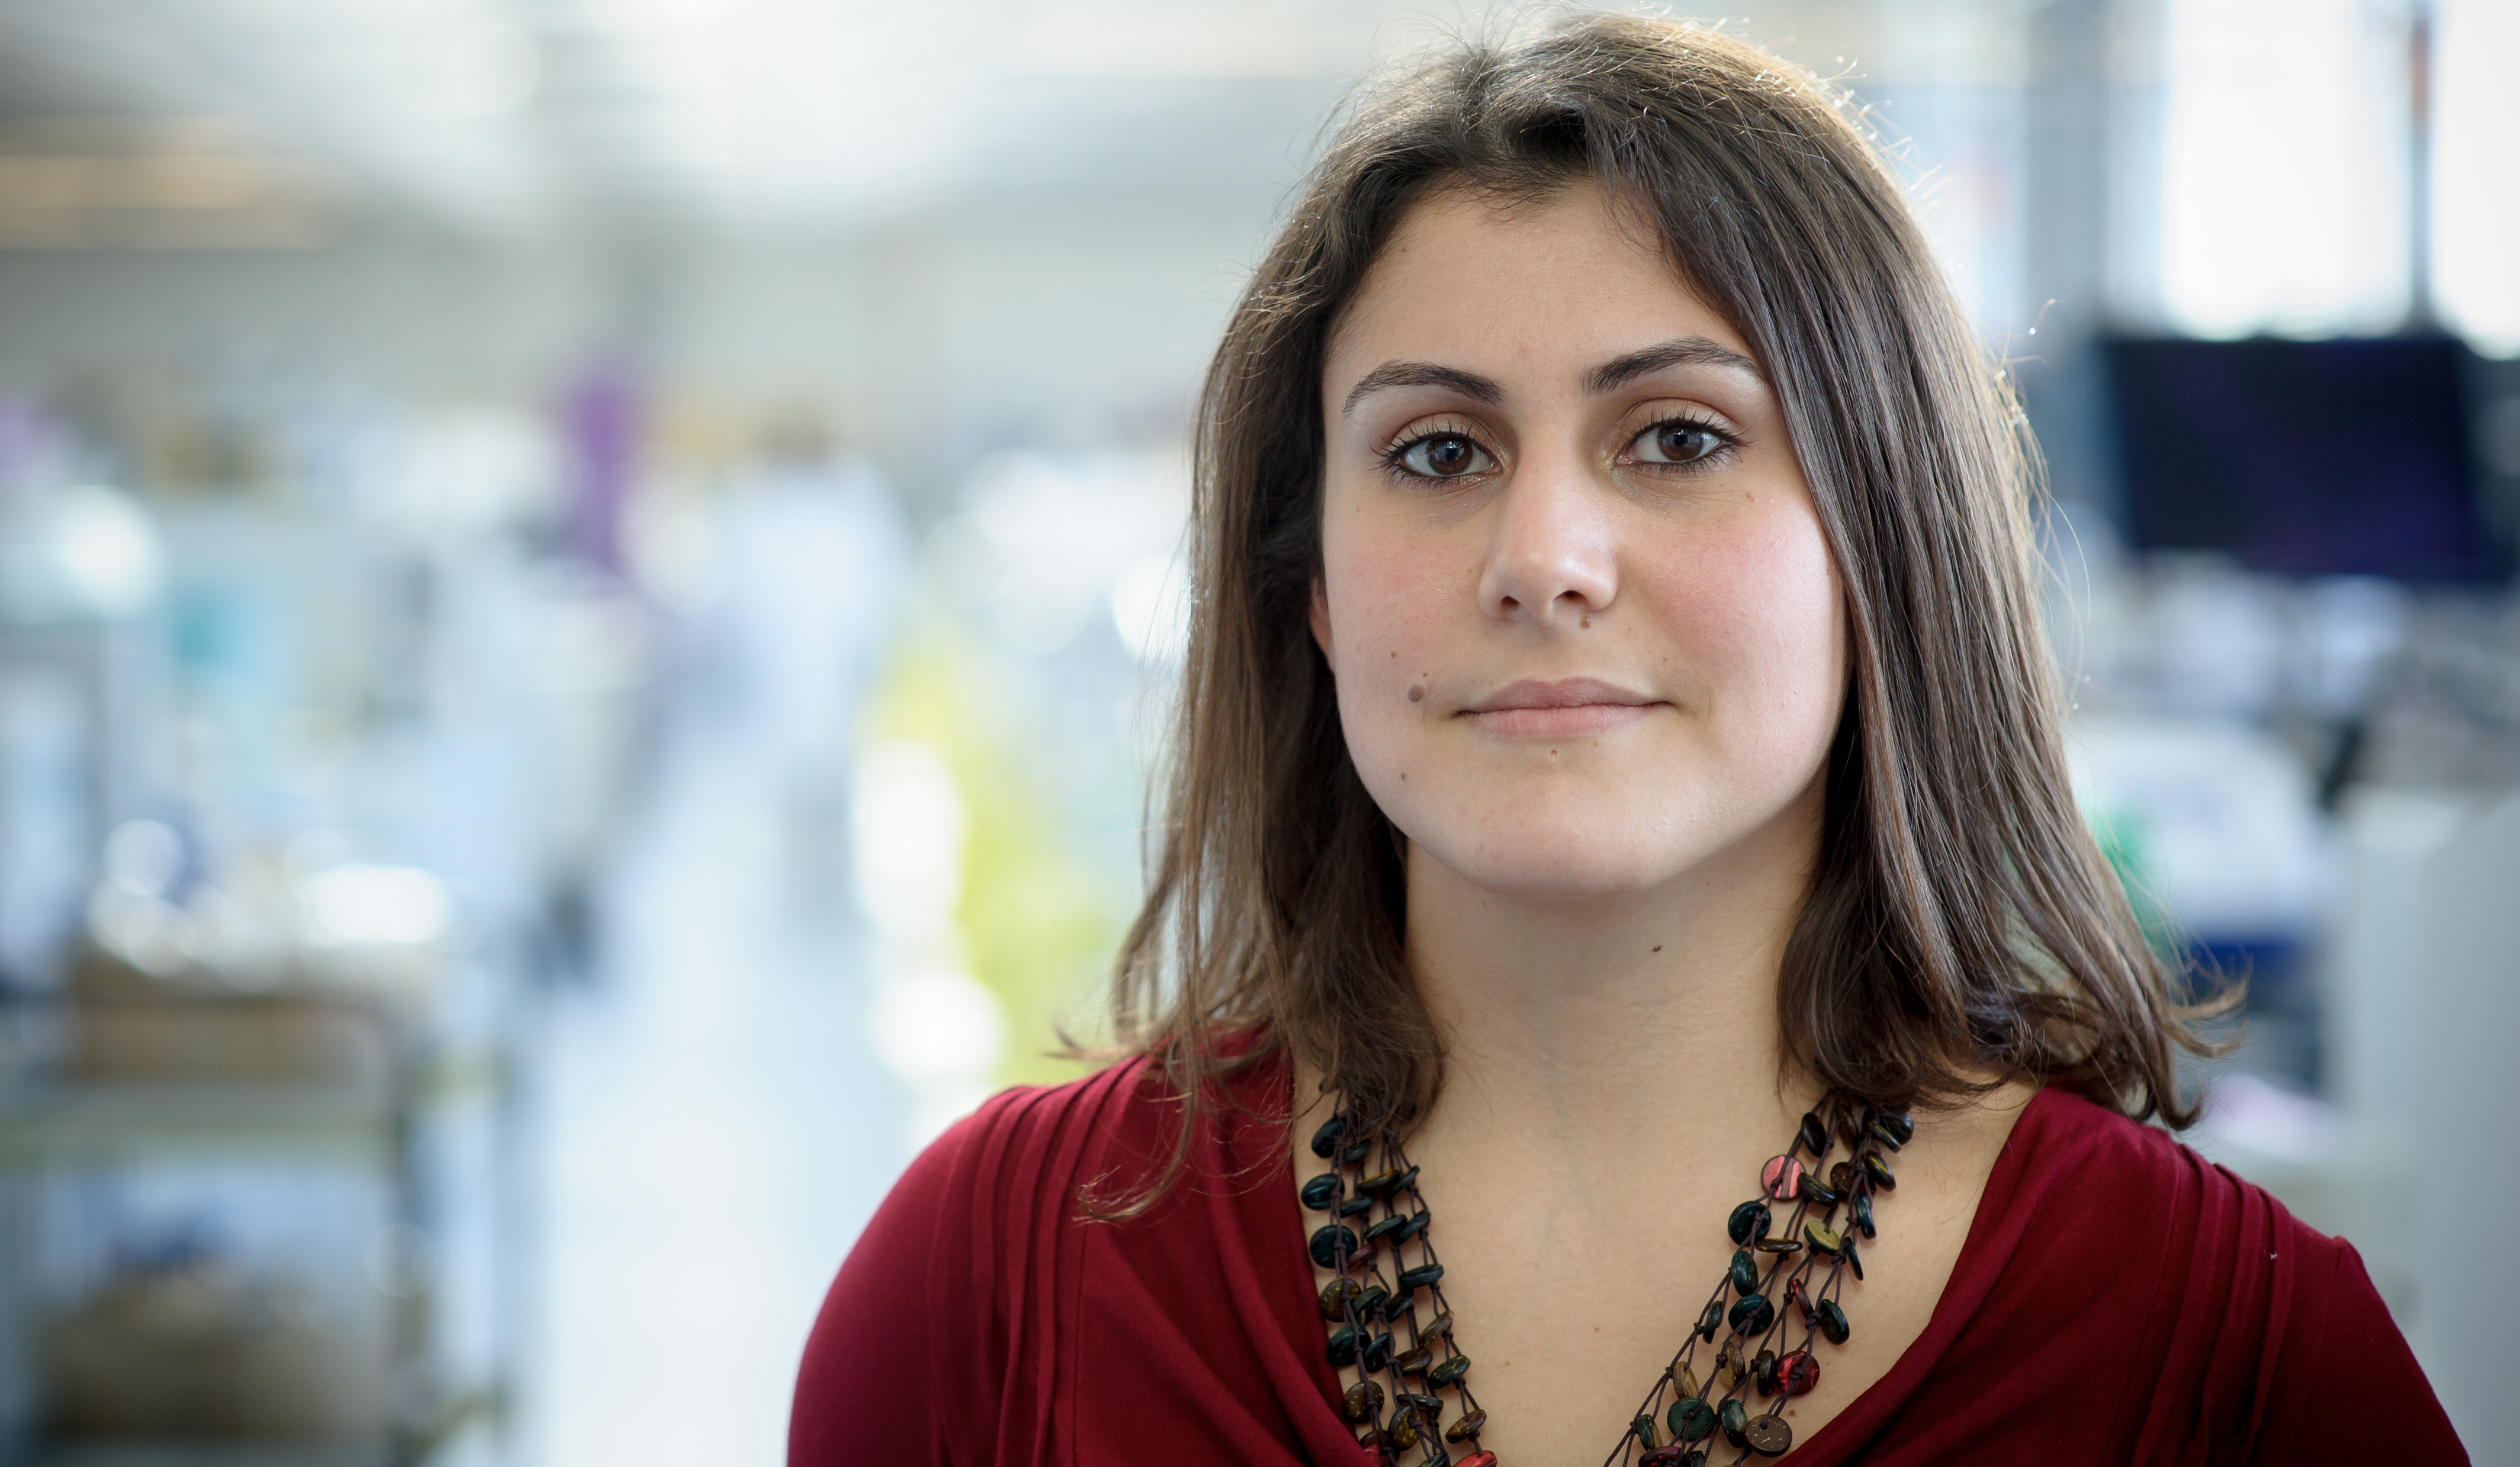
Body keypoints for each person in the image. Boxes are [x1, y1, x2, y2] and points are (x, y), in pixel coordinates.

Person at [790, 15, 2461, 1465]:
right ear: (1312, 588)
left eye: (1677, 437)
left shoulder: (2229, 1351)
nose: (1544, 560)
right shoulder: (986, 1282)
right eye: (1439, 452)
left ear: (1884, 546)